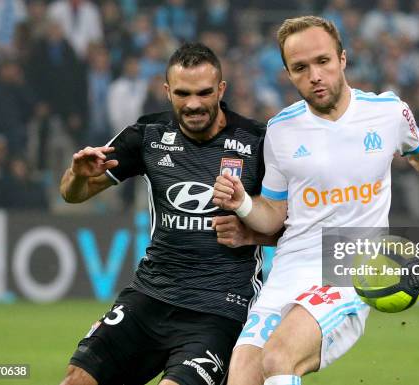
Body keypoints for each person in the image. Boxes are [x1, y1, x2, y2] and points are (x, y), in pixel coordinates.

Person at [212, 16, 419, 385]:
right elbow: (274, 215)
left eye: (323, 61)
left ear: (342, 59)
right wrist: (242, 203)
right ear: (288, 74)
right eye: (300, 68)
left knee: (279, 357)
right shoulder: (280, 131)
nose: (314, 75)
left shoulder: (386, 113)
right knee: (242, 377)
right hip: (288, 268)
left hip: (349, 262)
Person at [59, 42, 274, 385]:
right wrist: (77, 176)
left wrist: (252, 233)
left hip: (219, 308)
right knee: (77, 379)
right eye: (183, 93)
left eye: (204, 92)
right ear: (167, 91)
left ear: (221, 89)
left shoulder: (258, 142)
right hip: (150, 295)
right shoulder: (148, 135)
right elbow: (73, 194)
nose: (193, 104)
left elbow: (291, 220)